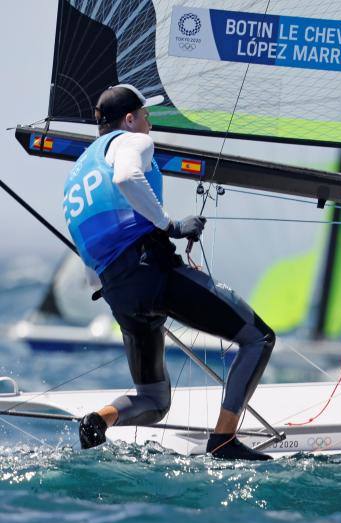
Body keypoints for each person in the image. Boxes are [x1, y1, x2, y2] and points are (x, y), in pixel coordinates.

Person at [63, 84, 275, 460]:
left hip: (116, 289)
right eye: (146, 116)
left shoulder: (81, 168)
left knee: (154, 399)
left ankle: (100, 419)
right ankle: (224, 440)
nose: (149, 124)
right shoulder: (132, 142)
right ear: (129, 119)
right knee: (258, 338)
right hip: (151, 272)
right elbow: (127, 179)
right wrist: (170, 225)